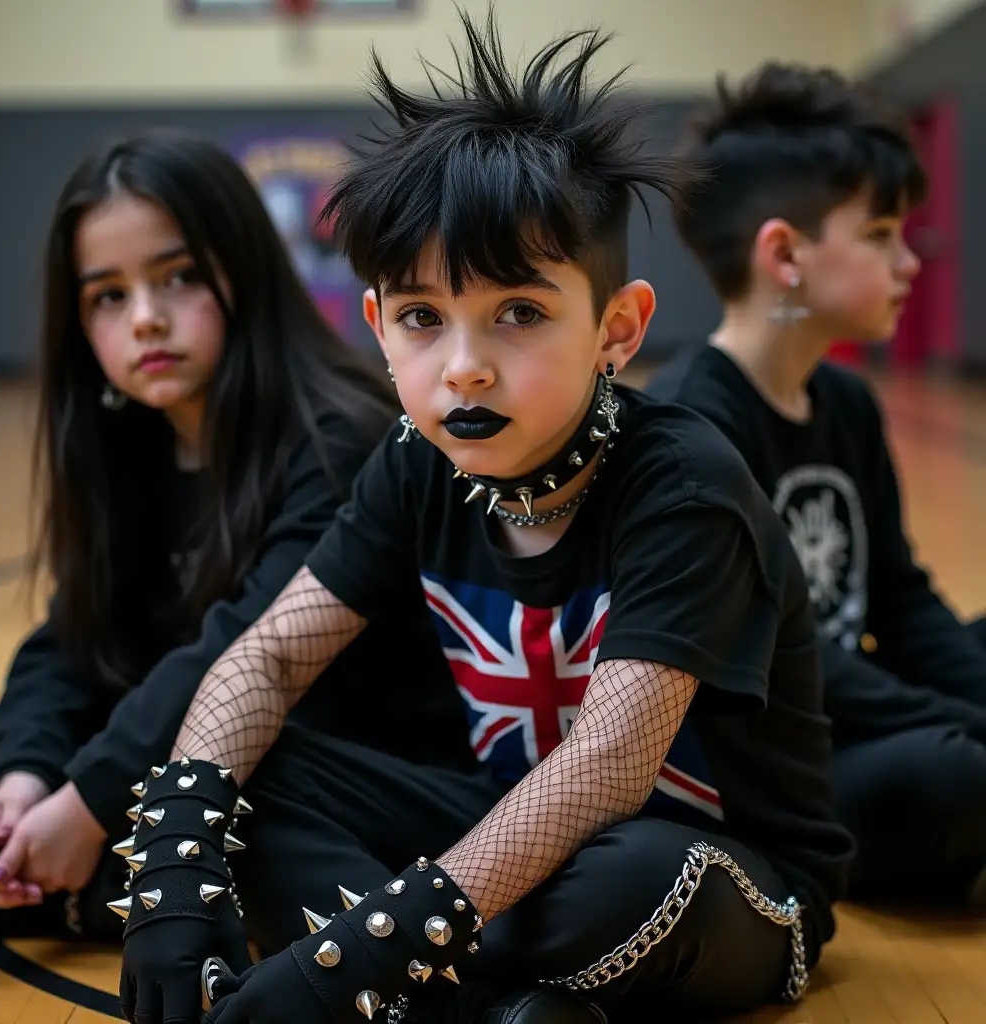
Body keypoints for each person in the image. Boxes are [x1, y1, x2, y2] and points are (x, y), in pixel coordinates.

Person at [115, 14, 855, 1024]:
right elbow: (270, 658)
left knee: (617, 881)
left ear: (617, 328)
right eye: (422, 316)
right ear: (377, 327)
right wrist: (176, 853)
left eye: (518, 311)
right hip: (506, 837)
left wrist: (343, 962)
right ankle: (484, 1008)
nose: (462, 363)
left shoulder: (683, 480)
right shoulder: (415, 458)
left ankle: (428, 986)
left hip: (724, 875)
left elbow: (605, 769)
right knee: (249, 766)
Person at [0, 127, 471, 952]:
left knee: (233, 791)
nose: (148, 320)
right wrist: (24, 779)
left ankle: (72, 889)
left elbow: (235, 659)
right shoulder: (130, 443)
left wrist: (89, 801)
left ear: (248, 271)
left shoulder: (336, 437)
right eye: (109, 296)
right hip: (163, 766)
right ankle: (69, 882)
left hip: (321, 779)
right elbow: (69, 642)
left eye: (181, 277)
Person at [647, 62, 986, 907]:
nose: (910, 261)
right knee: (955, 776)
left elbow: (900, 599)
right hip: (767, 762)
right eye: (879, 235)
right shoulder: (694, 423)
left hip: (856, 719)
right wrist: (960, 722)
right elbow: (771, 661)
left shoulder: (844, 399)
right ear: (784, 254)